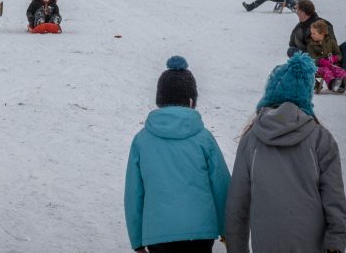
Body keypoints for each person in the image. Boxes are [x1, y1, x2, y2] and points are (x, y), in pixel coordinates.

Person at [224, 53, 346, 252]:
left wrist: (237, 248)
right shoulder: (320, 138)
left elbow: (237, 204)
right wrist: (335, 244)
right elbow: (335, 198)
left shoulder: (251, 139)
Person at [124, 56, 230, 253]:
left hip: (158, 233)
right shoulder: (204, 139)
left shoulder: (142, 141)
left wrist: (137, 240)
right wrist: (227, 229)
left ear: (160, 99)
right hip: (200, 232)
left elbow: (134, 193)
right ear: (191, 101)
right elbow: (221, 185)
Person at [306, 19, 346, 93]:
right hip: (318, 67)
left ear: (322, 34)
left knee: (340, 71)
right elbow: (311, 58)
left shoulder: (331, 42)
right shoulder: (311, 45)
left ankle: (342, 84)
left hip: (331, 64)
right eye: (311, 33)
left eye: (314, 33)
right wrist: (320, 61)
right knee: (326, 71)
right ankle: (332, 85)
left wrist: (335, 58)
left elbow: (338, 53)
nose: (311, 35)